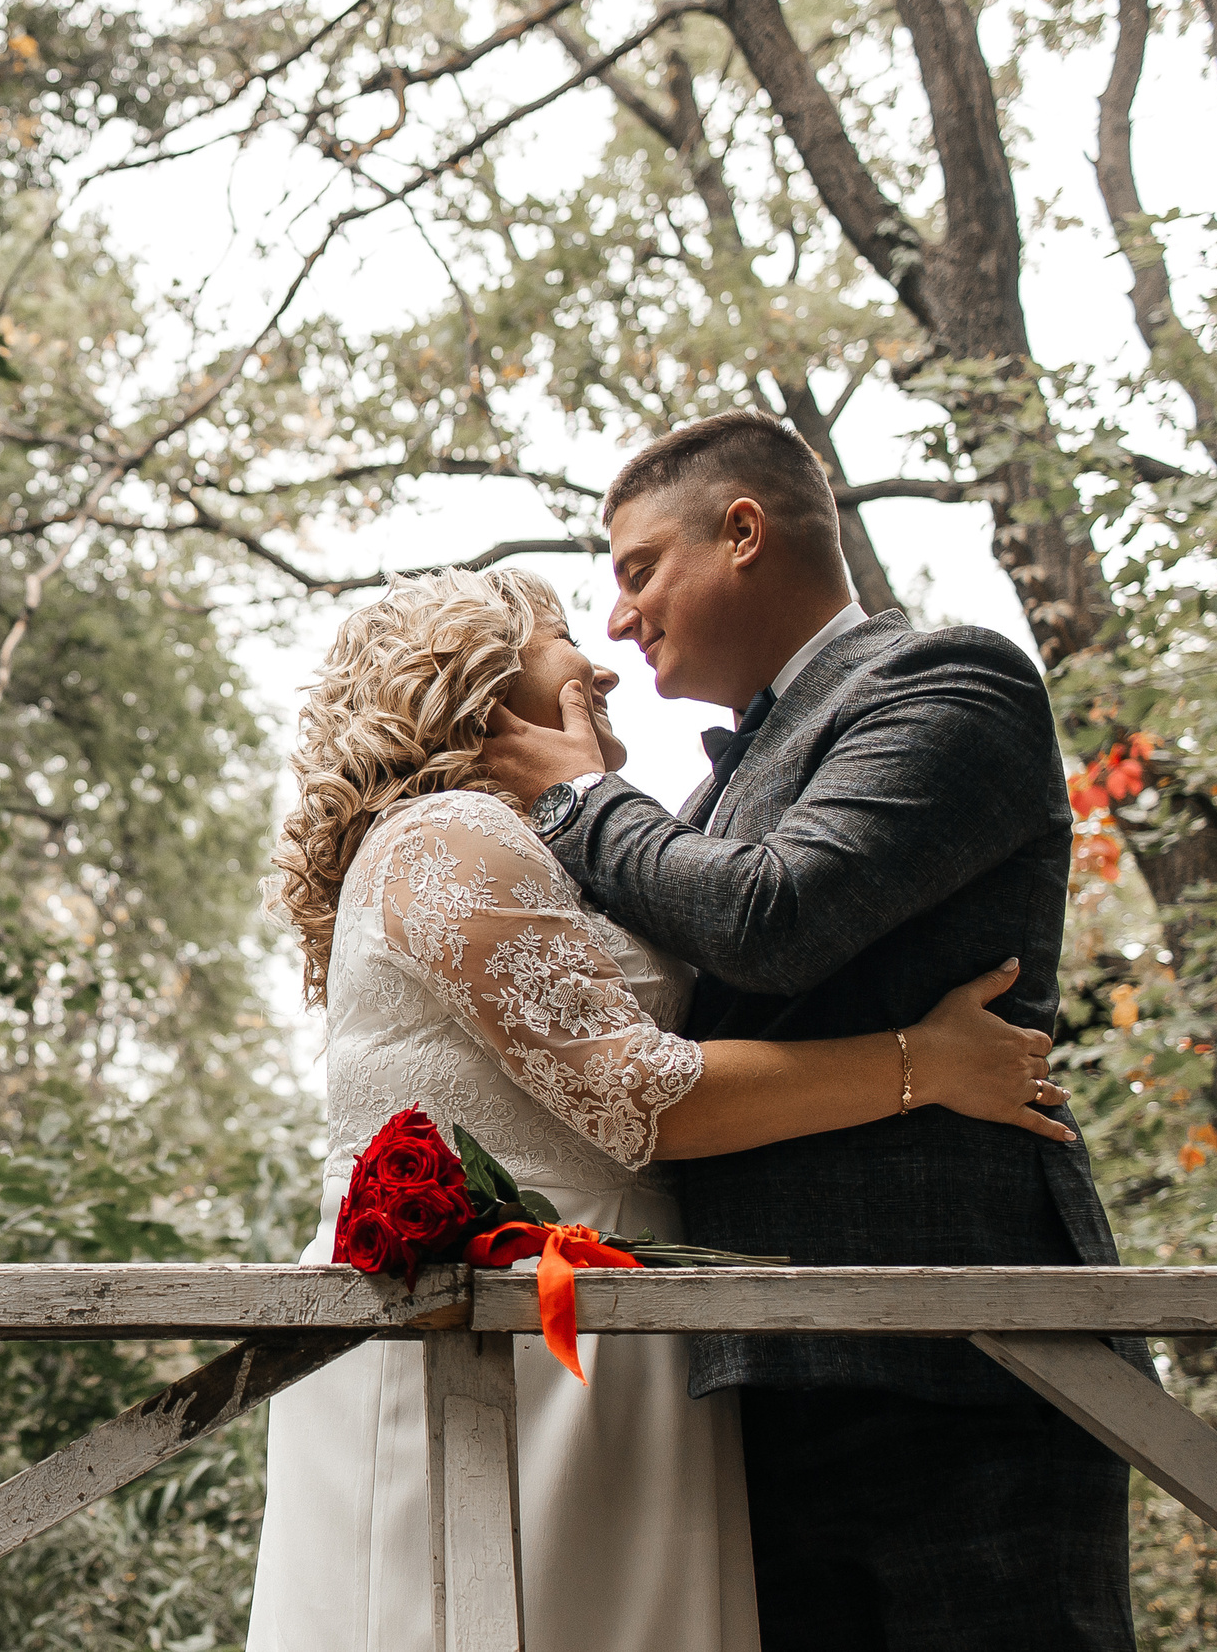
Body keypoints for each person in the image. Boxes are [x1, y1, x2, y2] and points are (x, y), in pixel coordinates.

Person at [245, 565, 1072, 1652]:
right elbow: (641, 1097)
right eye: (554, 637)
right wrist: (927, 1061)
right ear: (482, 682)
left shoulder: (538, 848)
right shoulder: (447, 836)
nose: (595, 659)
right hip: (504, 1344)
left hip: (600, 1335)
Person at [478, 407, 1138, 1652]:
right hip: (751, 1372)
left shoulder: (951, 679)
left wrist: (572, 798)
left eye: (636, 569)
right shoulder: (702, 794)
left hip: (969, 1362)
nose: (618, 617)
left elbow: (773, 917)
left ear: (742, 531)